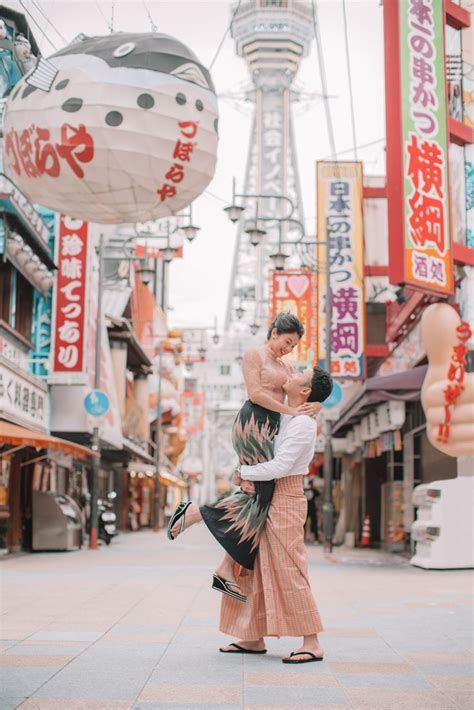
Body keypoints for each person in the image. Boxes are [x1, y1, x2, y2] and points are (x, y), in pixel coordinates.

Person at [168, 313, 318, 601]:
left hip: (273, 426)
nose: (289, 348)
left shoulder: (286, 365)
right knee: (262, 491)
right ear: (274, 332)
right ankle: (198, 519)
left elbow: (301, 392)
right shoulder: (254, 354)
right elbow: (256, 393)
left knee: (259, 496)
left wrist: (314, 408)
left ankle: (224, 564)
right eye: (287, 341)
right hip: (254, 422)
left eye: (293, 345)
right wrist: (292, 412)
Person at [218, 366, 333, 664]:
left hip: (285, 496)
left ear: (305, 391)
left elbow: (281, 466)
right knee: (253, 566)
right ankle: (253, 636)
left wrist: (242, 472)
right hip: (267, 495)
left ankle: (312, 641)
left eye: (299, 375)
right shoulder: (288, 413)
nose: (292, 374)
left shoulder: (303, 423)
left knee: (289, 567)